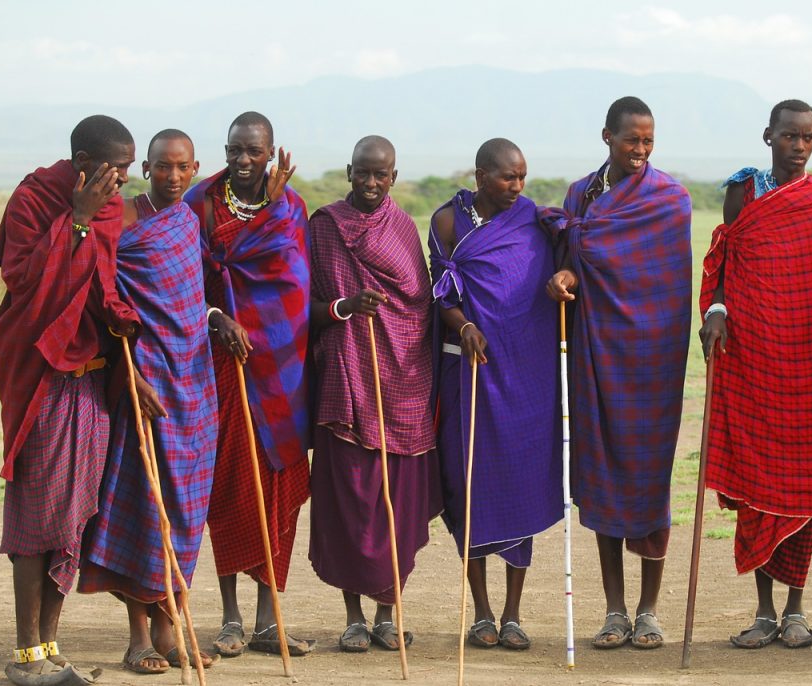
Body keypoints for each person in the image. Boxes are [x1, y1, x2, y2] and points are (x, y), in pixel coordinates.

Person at [699, 100, 812, 649]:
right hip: (753, 363)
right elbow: (724, 261)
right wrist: (715, 311)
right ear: (768, 136)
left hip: (811, 370)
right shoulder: (743, 193)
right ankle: (763, 610)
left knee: (802, 489)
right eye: (789, 135)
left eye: (808, 137)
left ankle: (795, 609)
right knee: (755, 487)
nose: (799, 146)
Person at [0, 115, 140, 685]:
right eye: (117, 170)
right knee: (36, 512)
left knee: (73, 513)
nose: (123, 182)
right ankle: (26, 653)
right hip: (41, 377)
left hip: (89, 377)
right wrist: (74, 219)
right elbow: (27, 285)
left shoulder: (106, 207)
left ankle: (51, 646)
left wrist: (122, 319)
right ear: (84, 163)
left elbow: (100, 283)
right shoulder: (36, 198)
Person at [542, 96, 691, 650]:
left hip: (651, 358)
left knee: (650, 475)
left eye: (649, 141)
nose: (642, 150)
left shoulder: (669, 200)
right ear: (608, 136)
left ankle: (649, 611)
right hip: (595, 351)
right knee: (599, 468)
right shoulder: (581, 195)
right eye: (632, 140)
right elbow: (567, 261)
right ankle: (613, 610)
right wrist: (562, 277)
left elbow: (669, 283)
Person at [77, 129, 219, 673]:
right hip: (147, 380)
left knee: (186, 506)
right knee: (144, 499)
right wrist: (128, 372)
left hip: (196, 384)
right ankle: (140, 635)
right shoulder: (126, 222)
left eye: (184, 167)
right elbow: (105, 301)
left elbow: (190, 295)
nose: (174, 177)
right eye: (163, 167)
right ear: (147, 170)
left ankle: (172, 622)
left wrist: (216, 317)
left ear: (195, 167)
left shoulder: (189, 220)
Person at [184, 111, 314, 657]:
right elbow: (185, 279)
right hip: (220, 362)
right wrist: (216, 316)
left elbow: (296, 286)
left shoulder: (292, 208)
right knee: (230, 486)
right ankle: (231, 616)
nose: (241, 161)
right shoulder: (202, 203)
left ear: (270, 153)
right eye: (234, 150)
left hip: (280, 370)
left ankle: (268, 620)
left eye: (252, 152)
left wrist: (273, 210)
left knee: (278, 488)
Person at [308, 136, 440, 652]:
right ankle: (354, 616)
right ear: (348, 171)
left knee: (395, 504)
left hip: (402, 385)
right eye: (361, 173)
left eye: (379, 175)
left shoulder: (404, 228)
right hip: (347, 379)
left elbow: (419, 306)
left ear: (393, 177)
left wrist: (394, 336)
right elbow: (309, 306)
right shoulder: (324, 226)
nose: (369, 183)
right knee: (350, 503)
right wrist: (345, 306)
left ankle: (389, 613)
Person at [429, 138, 561, 650]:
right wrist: (461, 325)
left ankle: (513, 613)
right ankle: (481, 611)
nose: (518, 187)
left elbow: (561, 268)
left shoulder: (534, 221)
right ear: (481, 175)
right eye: (508, 177)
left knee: (520, 482)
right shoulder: (446, 222)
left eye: (523, 176)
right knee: (468, 487)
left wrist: (565, 275)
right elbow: (441, 291)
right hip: (469, 373)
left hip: (525, 374)